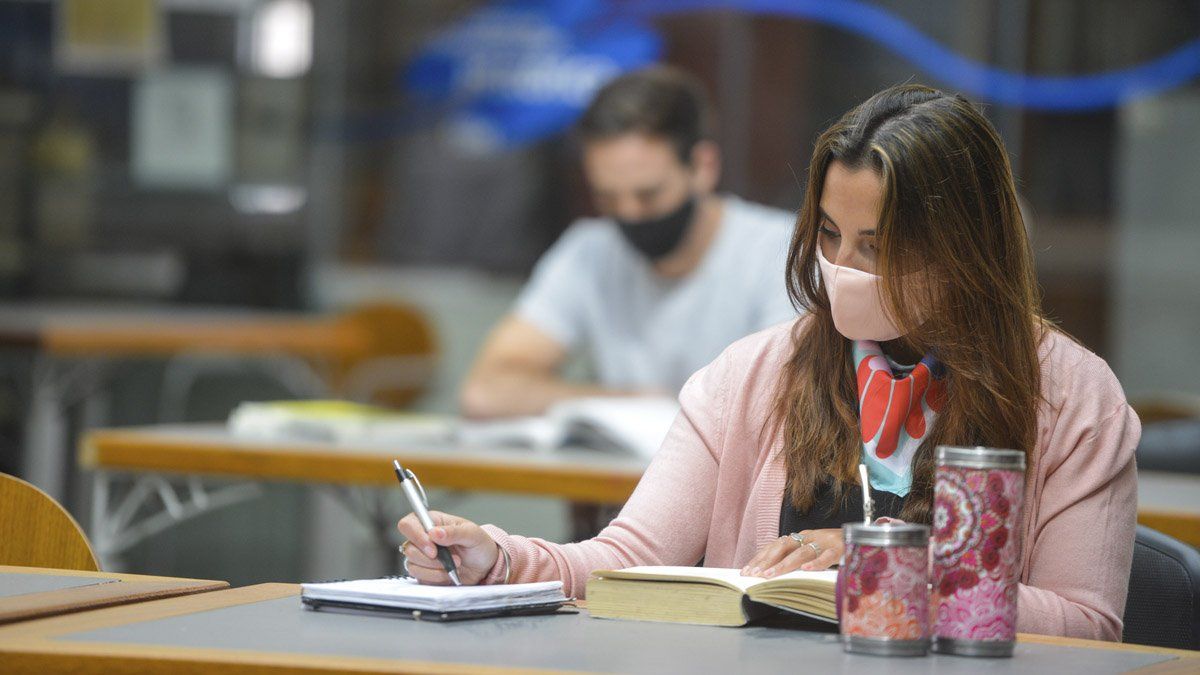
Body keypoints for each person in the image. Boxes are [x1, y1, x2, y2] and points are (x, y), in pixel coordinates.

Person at [400, 84, 1139, 641]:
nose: (840, 267)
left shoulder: (1072, 395)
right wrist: (496, 560)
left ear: (965, 247)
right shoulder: (753, 374)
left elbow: (1085, 621)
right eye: (827, 233)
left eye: (876, 245)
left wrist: (874, 564)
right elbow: (627, 557)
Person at [459, 66, 798, 419]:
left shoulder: (781, 253)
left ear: (702, 167)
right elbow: (486, 391)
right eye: (607, 198)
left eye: (648, 195)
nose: (629, 213)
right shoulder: (588, 252)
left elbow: (784, 407)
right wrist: (624, 404)